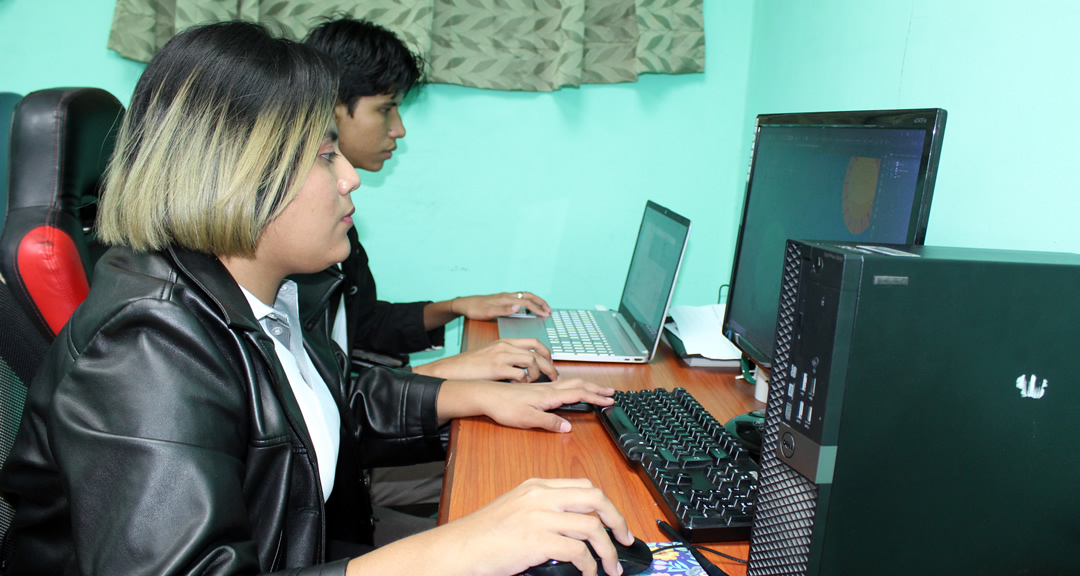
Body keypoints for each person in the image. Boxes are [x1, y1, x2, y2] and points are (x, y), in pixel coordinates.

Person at [0, 21, 635, 576]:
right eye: (325, 155)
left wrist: (489, 398)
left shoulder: (256, 295)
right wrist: (456, 549)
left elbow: (318, 409)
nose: (350, 177)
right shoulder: (146, 345)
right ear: (238, 175)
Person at [303, 17, 558, 385]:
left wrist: (455, 308)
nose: (399, 129)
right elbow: (311, 395)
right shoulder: (297, 230)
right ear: (332, 105)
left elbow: (361, 326)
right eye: (385, 108)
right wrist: (439, 373)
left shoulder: (338, 216)